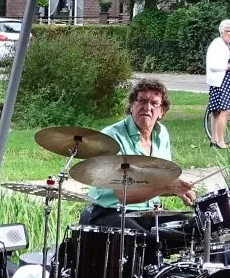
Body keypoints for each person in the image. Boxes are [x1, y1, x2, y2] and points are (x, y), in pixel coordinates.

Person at [83, 78, 196, 228]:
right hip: (110, 212)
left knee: (195, 227)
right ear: (131, 106)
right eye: (142, 101)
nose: (147, 108)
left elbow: (157, 184)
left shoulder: (162, 135)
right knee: (147, 240)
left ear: (162, 111)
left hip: (149, 212)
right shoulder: (111, 137)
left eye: (154, 103)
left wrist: (179, 189)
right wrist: (168, 186)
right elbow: (123, 195)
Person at [206, 19, 230, 149]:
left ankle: (214, 139)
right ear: (222, 31)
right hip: (221, 81)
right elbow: (213, 65)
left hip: (224, 80)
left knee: (217, 111)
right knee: (224, 111)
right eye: (229, 31)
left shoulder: (225, 44)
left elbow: (226, 58)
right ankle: (221, 141)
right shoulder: (218, 44)